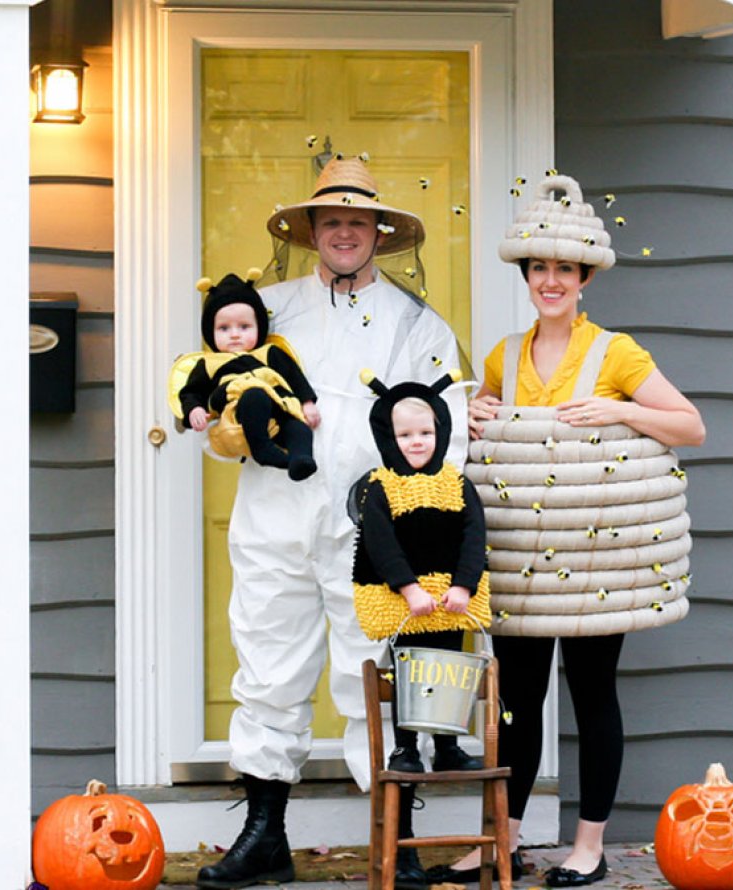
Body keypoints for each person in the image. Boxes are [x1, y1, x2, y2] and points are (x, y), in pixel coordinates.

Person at [426, 173, 705, 889]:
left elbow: (690, 425)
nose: (551, 281)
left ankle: (588, 844)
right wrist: (473, 411)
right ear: (528, 275)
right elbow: (471, 433)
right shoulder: (503, 354)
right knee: (517, 698)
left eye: (564, 270)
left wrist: (624, 413)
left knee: (592, 692)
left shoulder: (615, 354)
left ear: (584, 277)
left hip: (592, 564)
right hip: (520, 559)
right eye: (539, 268)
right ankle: (505, 841)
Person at [196, 158, 468, 890]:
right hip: (274, 517)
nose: (344, 232)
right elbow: (219, 389)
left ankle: (396, 843)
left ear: (379, 232)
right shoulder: (267, 311)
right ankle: (264, 837)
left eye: (357, 220)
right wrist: (219, 423)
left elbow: (449, 427)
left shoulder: (418, 325)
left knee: (373, 675)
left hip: (370, 533)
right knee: (268, 669)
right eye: (331, 220)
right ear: (312, 230)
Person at [352, 369, 491, 888]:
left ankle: (449, 742)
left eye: (426, 433)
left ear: (441, 434)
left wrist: (463, 585)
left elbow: (473, 537)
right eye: (406, 434)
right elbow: (380, 542)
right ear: (390, 437)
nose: (417, 442)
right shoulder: (381, 487)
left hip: (450, 601)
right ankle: (409, 744)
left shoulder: (456, 484)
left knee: (451, 669)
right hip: (409, 606)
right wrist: (408, 588)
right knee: (412, 672)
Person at [173, 270, 319, 480]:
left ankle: (299, 460)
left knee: (298, 428)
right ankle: (262, 448)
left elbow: (294, 376)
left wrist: (307, 402)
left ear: (259, 327)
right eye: (224, 328)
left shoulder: (269, 353)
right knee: (254, 395)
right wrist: (194, 409)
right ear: (210, 332)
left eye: (244, 326)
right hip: (236, 406)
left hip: (277, 404)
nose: (234, 334)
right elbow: (191, 392)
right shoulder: (209, 363)